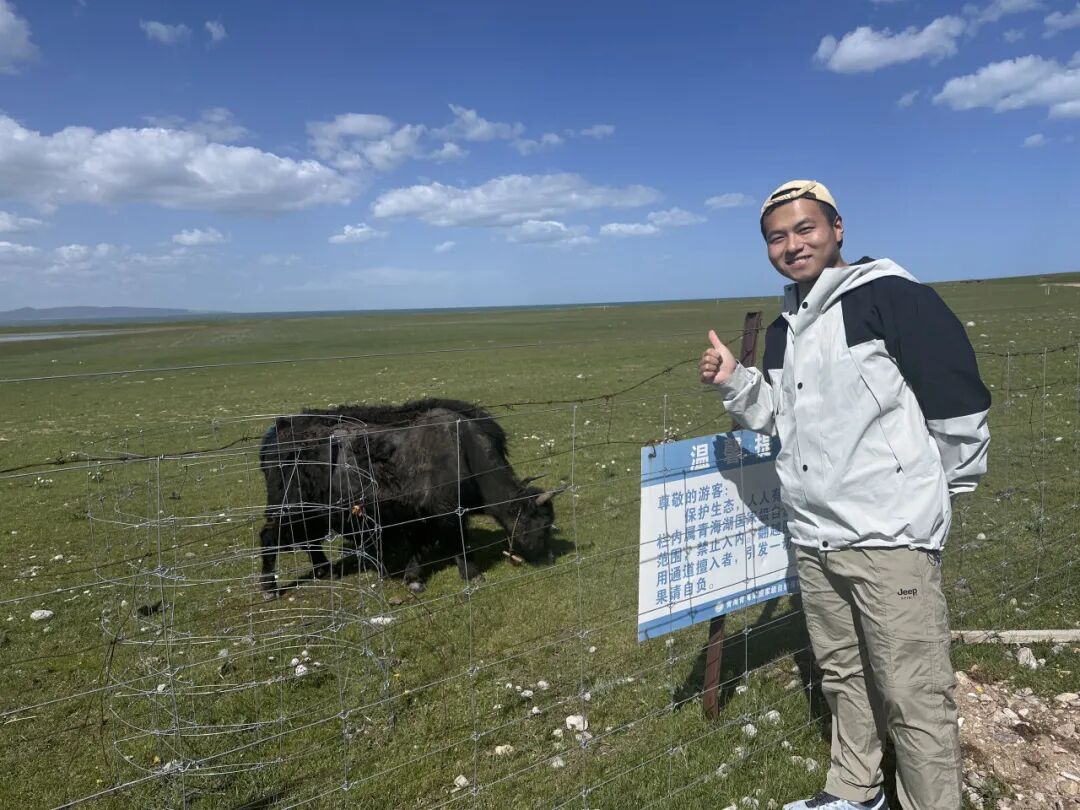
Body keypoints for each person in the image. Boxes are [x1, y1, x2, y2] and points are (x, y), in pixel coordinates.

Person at [699, 180, 990, 810]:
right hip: (814, 536)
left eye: (805, 228)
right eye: (777, 236)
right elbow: (782, 415)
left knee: (914, 693)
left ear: (838, 228)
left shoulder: (890, 298)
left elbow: (957, 402)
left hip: (889, 535)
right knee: (843, 675)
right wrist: (736, 382)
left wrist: (931, 494)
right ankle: (854, 791)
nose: (792, 244)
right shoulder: (786, 327)